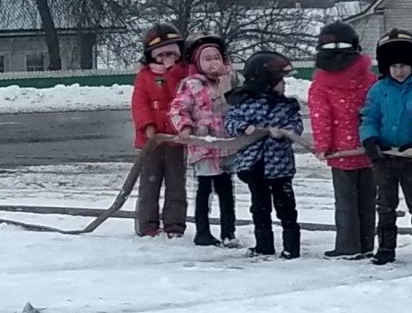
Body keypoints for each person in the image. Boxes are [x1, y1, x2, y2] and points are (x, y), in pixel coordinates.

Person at [359, 29, 412, 265]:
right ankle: (385, 248)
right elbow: (368, 118)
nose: (399, 71)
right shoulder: (378, 90)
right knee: (385, 204)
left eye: (403, 66)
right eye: (394, 67)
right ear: (386, 67)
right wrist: (370, 139)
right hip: (384, 157)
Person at [226, 50, 305, 258]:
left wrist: (286, 132)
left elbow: (296, 126)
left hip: (280, 166)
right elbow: (231, 122)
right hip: (254, 166)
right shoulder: (244, 104)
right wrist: (245, 128)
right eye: (280, 81)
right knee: (259, 208)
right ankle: (264, 245)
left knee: (286, 207)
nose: (285, 85)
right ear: (266, 82)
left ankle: (291, 246)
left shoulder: (287, 107)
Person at [308, 20, 377, 257]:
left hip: (340, 153)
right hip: (368, 150)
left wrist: (323, 147)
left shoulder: (321, 85)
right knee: (367, 203)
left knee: (346, 204)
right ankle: (367, 244)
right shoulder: (369, 80)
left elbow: (321, 117)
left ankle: (348, 246)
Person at [172, 35, 235, 247]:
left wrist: (228, 81)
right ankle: (203, 231)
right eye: (207, 59)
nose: (213, 62)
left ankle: (229, 232)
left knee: (226, 191)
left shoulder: (230, 82)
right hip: (204, 146)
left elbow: (239, 104)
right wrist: (186, 127)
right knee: (204, 191)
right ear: (198, 63)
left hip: (226, 146)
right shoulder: (192, 85)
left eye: (216, 57)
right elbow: (178, 108)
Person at [130, 25, 187, 240]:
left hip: (175, 138)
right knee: (149, 185)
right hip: (150, 140)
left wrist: (172, 72)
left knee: (175, 185)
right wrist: (146, 126)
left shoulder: (181, 75)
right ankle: (147, 225)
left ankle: (174, 225)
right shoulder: (144, 77)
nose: (165, 59)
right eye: (161, 55)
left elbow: (179, 95)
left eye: (170, 54)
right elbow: (139, 104)